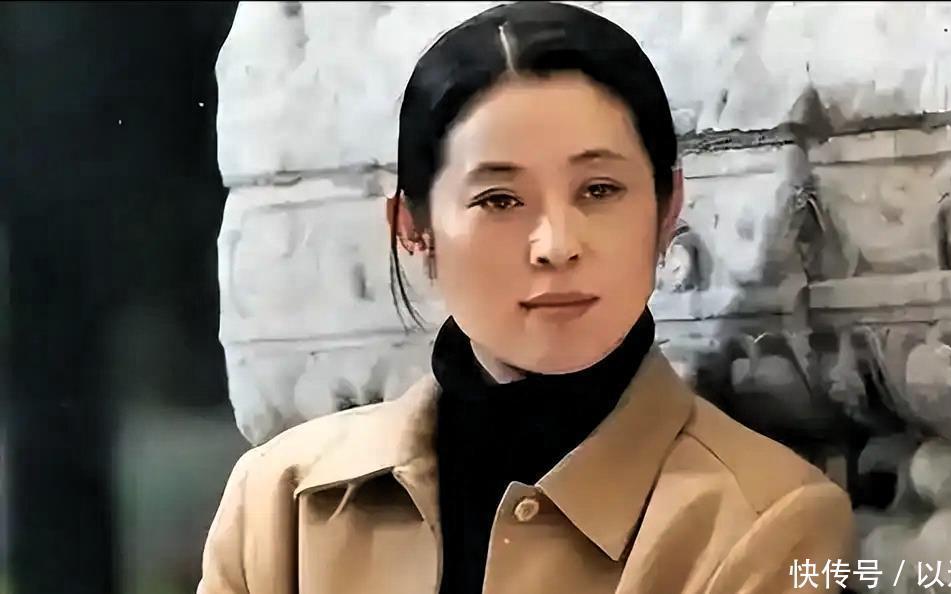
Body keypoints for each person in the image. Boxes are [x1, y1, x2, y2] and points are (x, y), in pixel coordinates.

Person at [197, 2, 855, 593]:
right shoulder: (281, 505)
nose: (556, 245)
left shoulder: (767, 521)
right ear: (413, 229)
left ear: (666, 208)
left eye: (599, 190)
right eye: (499, 200)